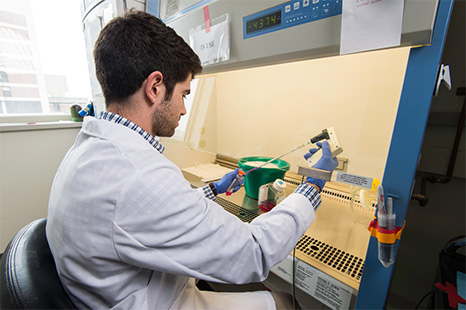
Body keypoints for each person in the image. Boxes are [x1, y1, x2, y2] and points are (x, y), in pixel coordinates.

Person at [46, 9, 338, 310]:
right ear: (155, 87)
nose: (184, 110)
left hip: (131, 291)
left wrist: (211, 191)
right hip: (160, 302)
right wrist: (312, 187)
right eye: (183, 94)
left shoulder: (88, 150)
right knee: (285, 302)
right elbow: (253, 253)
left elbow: (148, 214)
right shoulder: (138, 174)